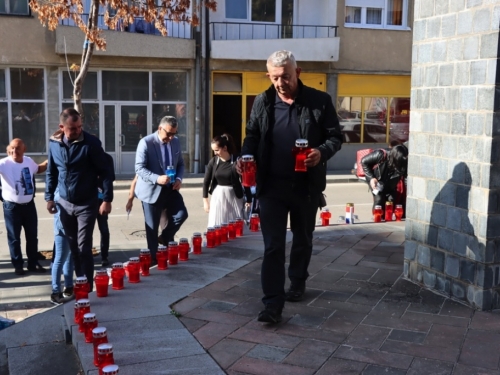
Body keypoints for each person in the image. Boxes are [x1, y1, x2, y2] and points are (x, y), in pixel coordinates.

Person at [236, 50, 343, 324]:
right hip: (271, 186)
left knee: (302, 239)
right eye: (274, 77)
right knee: (273, 246)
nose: (280, 82)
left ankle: (297, 280)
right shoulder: (263, 101)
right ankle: (272, 304)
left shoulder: (319, 101)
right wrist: (244, 157)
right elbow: (252, 136)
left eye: (285, 76)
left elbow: (335, 137)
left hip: (305, 186)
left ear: (298, 72)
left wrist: (321, 152)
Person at [45, 108, 114, 290]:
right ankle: (80, 284)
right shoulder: (54, 144)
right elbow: (51, 172)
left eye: (79, 127)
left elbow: (106, 171)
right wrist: (49, 198)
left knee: (84, 247)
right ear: (62, 127)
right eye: (73, 128)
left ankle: (88, 289)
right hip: (64, 204)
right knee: (73, 248)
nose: (78, 131)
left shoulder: (91, 143)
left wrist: (107, 199)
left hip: (86, 204)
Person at [135, 115, 188, 261]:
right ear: (160, 128)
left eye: (174, 134)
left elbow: (181, 164)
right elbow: (139, 168)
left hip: (170, 188)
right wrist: (156, 178)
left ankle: (163, 238)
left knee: (181, 214)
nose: (171, 137)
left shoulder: (175, 142)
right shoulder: (146, 142)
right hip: (151, 190)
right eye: (168, 133)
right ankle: (153, 260)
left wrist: (178, 178)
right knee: (152, 227)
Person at [0, 138, 48, 275]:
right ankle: (18, 265)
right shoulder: (4, 164)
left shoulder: (28, 161)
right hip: (12, 208)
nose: (15, 151)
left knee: (32, 236)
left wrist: (47, 162)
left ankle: (32, 264)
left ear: (24, 149)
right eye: (12, 148)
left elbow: (38, 169)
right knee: (14, 238)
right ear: (9, 150)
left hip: (29, 206)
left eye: (18, 148)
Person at [203, 134, 244, 227]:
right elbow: (206, 182)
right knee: (217, 224)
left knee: (235, 224)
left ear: (225, 148)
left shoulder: (237, 160)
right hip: (218, 196)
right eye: (213, 150)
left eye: (217, 150)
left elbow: (244, 180)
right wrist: (205, 201)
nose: (215, 153)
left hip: (234, 196)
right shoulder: (213, 161)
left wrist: (249, 200)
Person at [360, 144, 408, 218]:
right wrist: (371, 178)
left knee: (391, 200)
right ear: (395, 158)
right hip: (377, 182)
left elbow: (406, 177)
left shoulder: (403, 161)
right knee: (379, 199)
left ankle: (385, 220)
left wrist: (409, 191)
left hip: (391, 184)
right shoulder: (380, 154)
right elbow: (364, 161)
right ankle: (377, 219)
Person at [50, 188, 74, 305]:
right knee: (60, 259)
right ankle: (55, 293)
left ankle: (69, 287)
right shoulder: (61, 188)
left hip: (66, 227)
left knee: (68, 257)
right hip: (62, 228)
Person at [97, 153, 115, 267]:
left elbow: (110, 178)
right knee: (85, 231)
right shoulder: (83, 156)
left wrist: (107, 200)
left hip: (101, 199)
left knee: (103, 228)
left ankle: (104, 256)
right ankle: (83, 255)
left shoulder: (106, 158)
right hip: (86, 201)